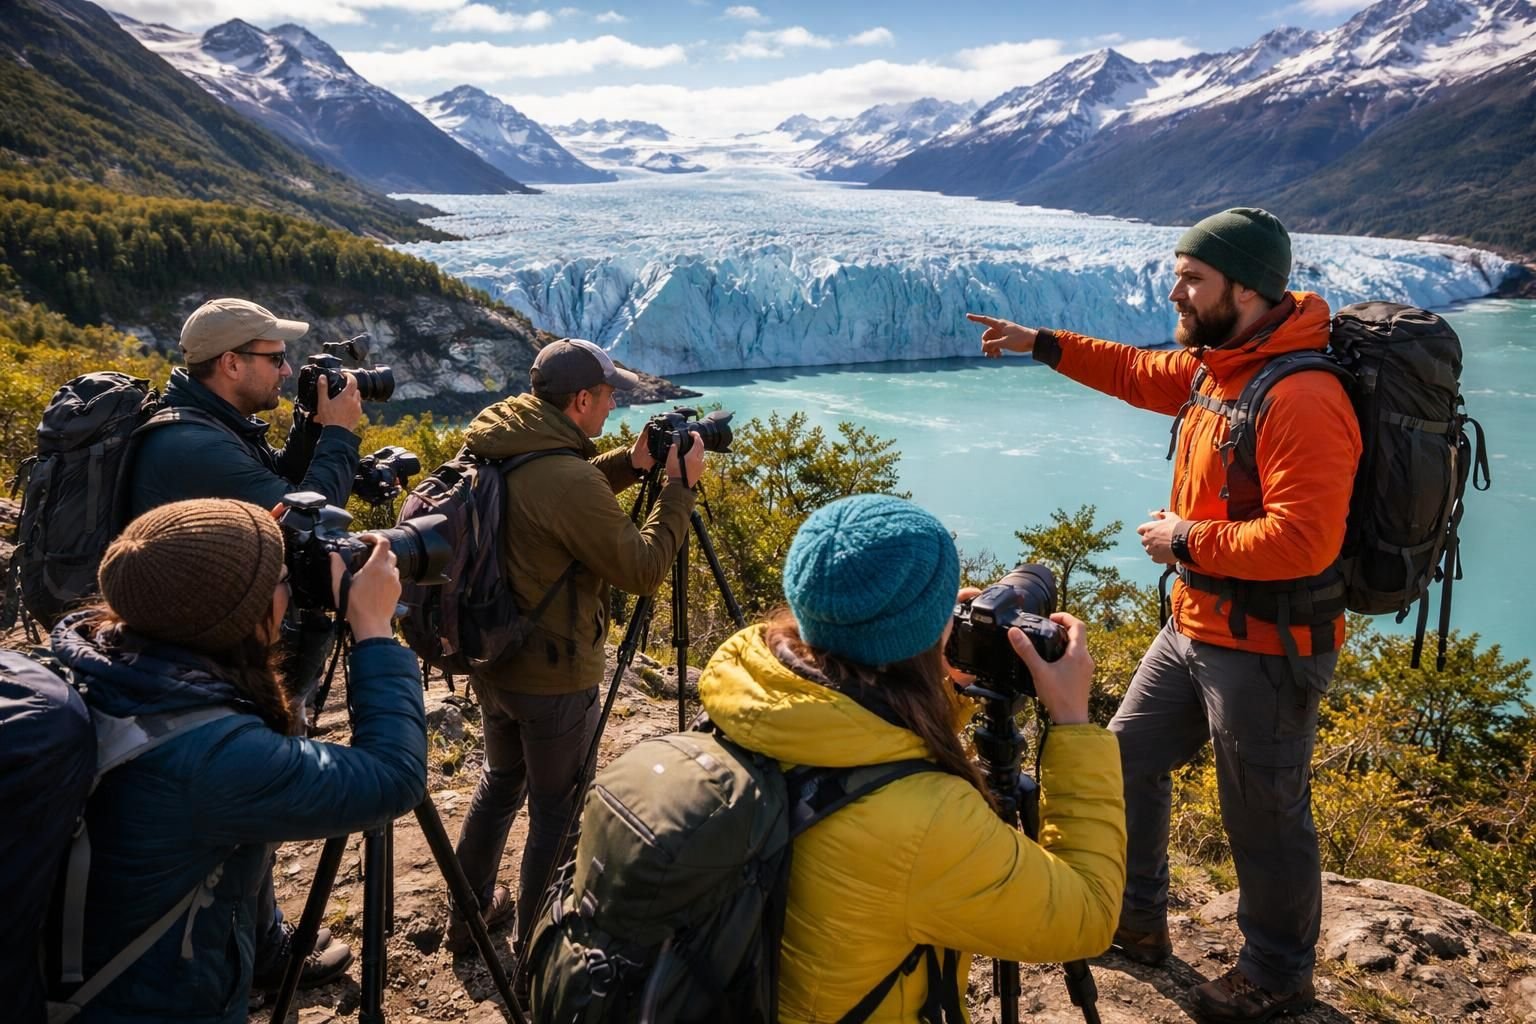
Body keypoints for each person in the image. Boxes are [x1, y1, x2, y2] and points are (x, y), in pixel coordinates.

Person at [968, 207, 1362, 1023]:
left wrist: (1185, 538)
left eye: (1194, 278)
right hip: (1194, 626)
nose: (1174, 290)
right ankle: (1135, 919)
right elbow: (1133, 371)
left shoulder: (1302, 395)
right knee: (1123, 760)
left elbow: (1304, 543)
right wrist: (1038, 340)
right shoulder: (1217, 367)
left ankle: (1278, 974)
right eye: (1177, 272)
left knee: (1260, 808)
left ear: (1247, 288)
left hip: (1268, 644)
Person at [694, 494, 1126, 1022]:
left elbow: (861, 734)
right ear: (931, 629)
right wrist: (1072, 722)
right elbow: (1090, 913)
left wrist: (942, 687)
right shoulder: (926, 823)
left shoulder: (752, 698)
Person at [47, 498, 428, 1023]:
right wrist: (374, 629)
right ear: (237, 616)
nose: (291, 588)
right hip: (153, 1004)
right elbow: (393, 780)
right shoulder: (212, 756)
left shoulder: (93, 662)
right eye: (281, 578)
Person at [125, 296, 366, 989]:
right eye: (273, 358)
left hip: (187, 631)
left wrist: (307, 432)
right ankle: (258, 954)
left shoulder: (210, 424)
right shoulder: (195, 444)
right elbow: (298, 526)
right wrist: (340, 435)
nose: (287, 369)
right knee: (252, 785)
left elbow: (278, 490)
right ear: (230, 364)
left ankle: (250, 935)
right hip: (206, 649)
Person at [448, 338, 703, 955]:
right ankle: (539, 957)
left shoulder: (503, 442)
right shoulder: (562, 475)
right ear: (583, 399)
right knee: (557, 815)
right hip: (553, 677)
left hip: (493, 654)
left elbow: (548, 500)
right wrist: (677, 489)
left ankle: (470, 913)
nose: (615, 405)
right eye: (610, 396)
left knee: (500, 781)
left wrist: (628, 463)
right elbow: (641, 569)